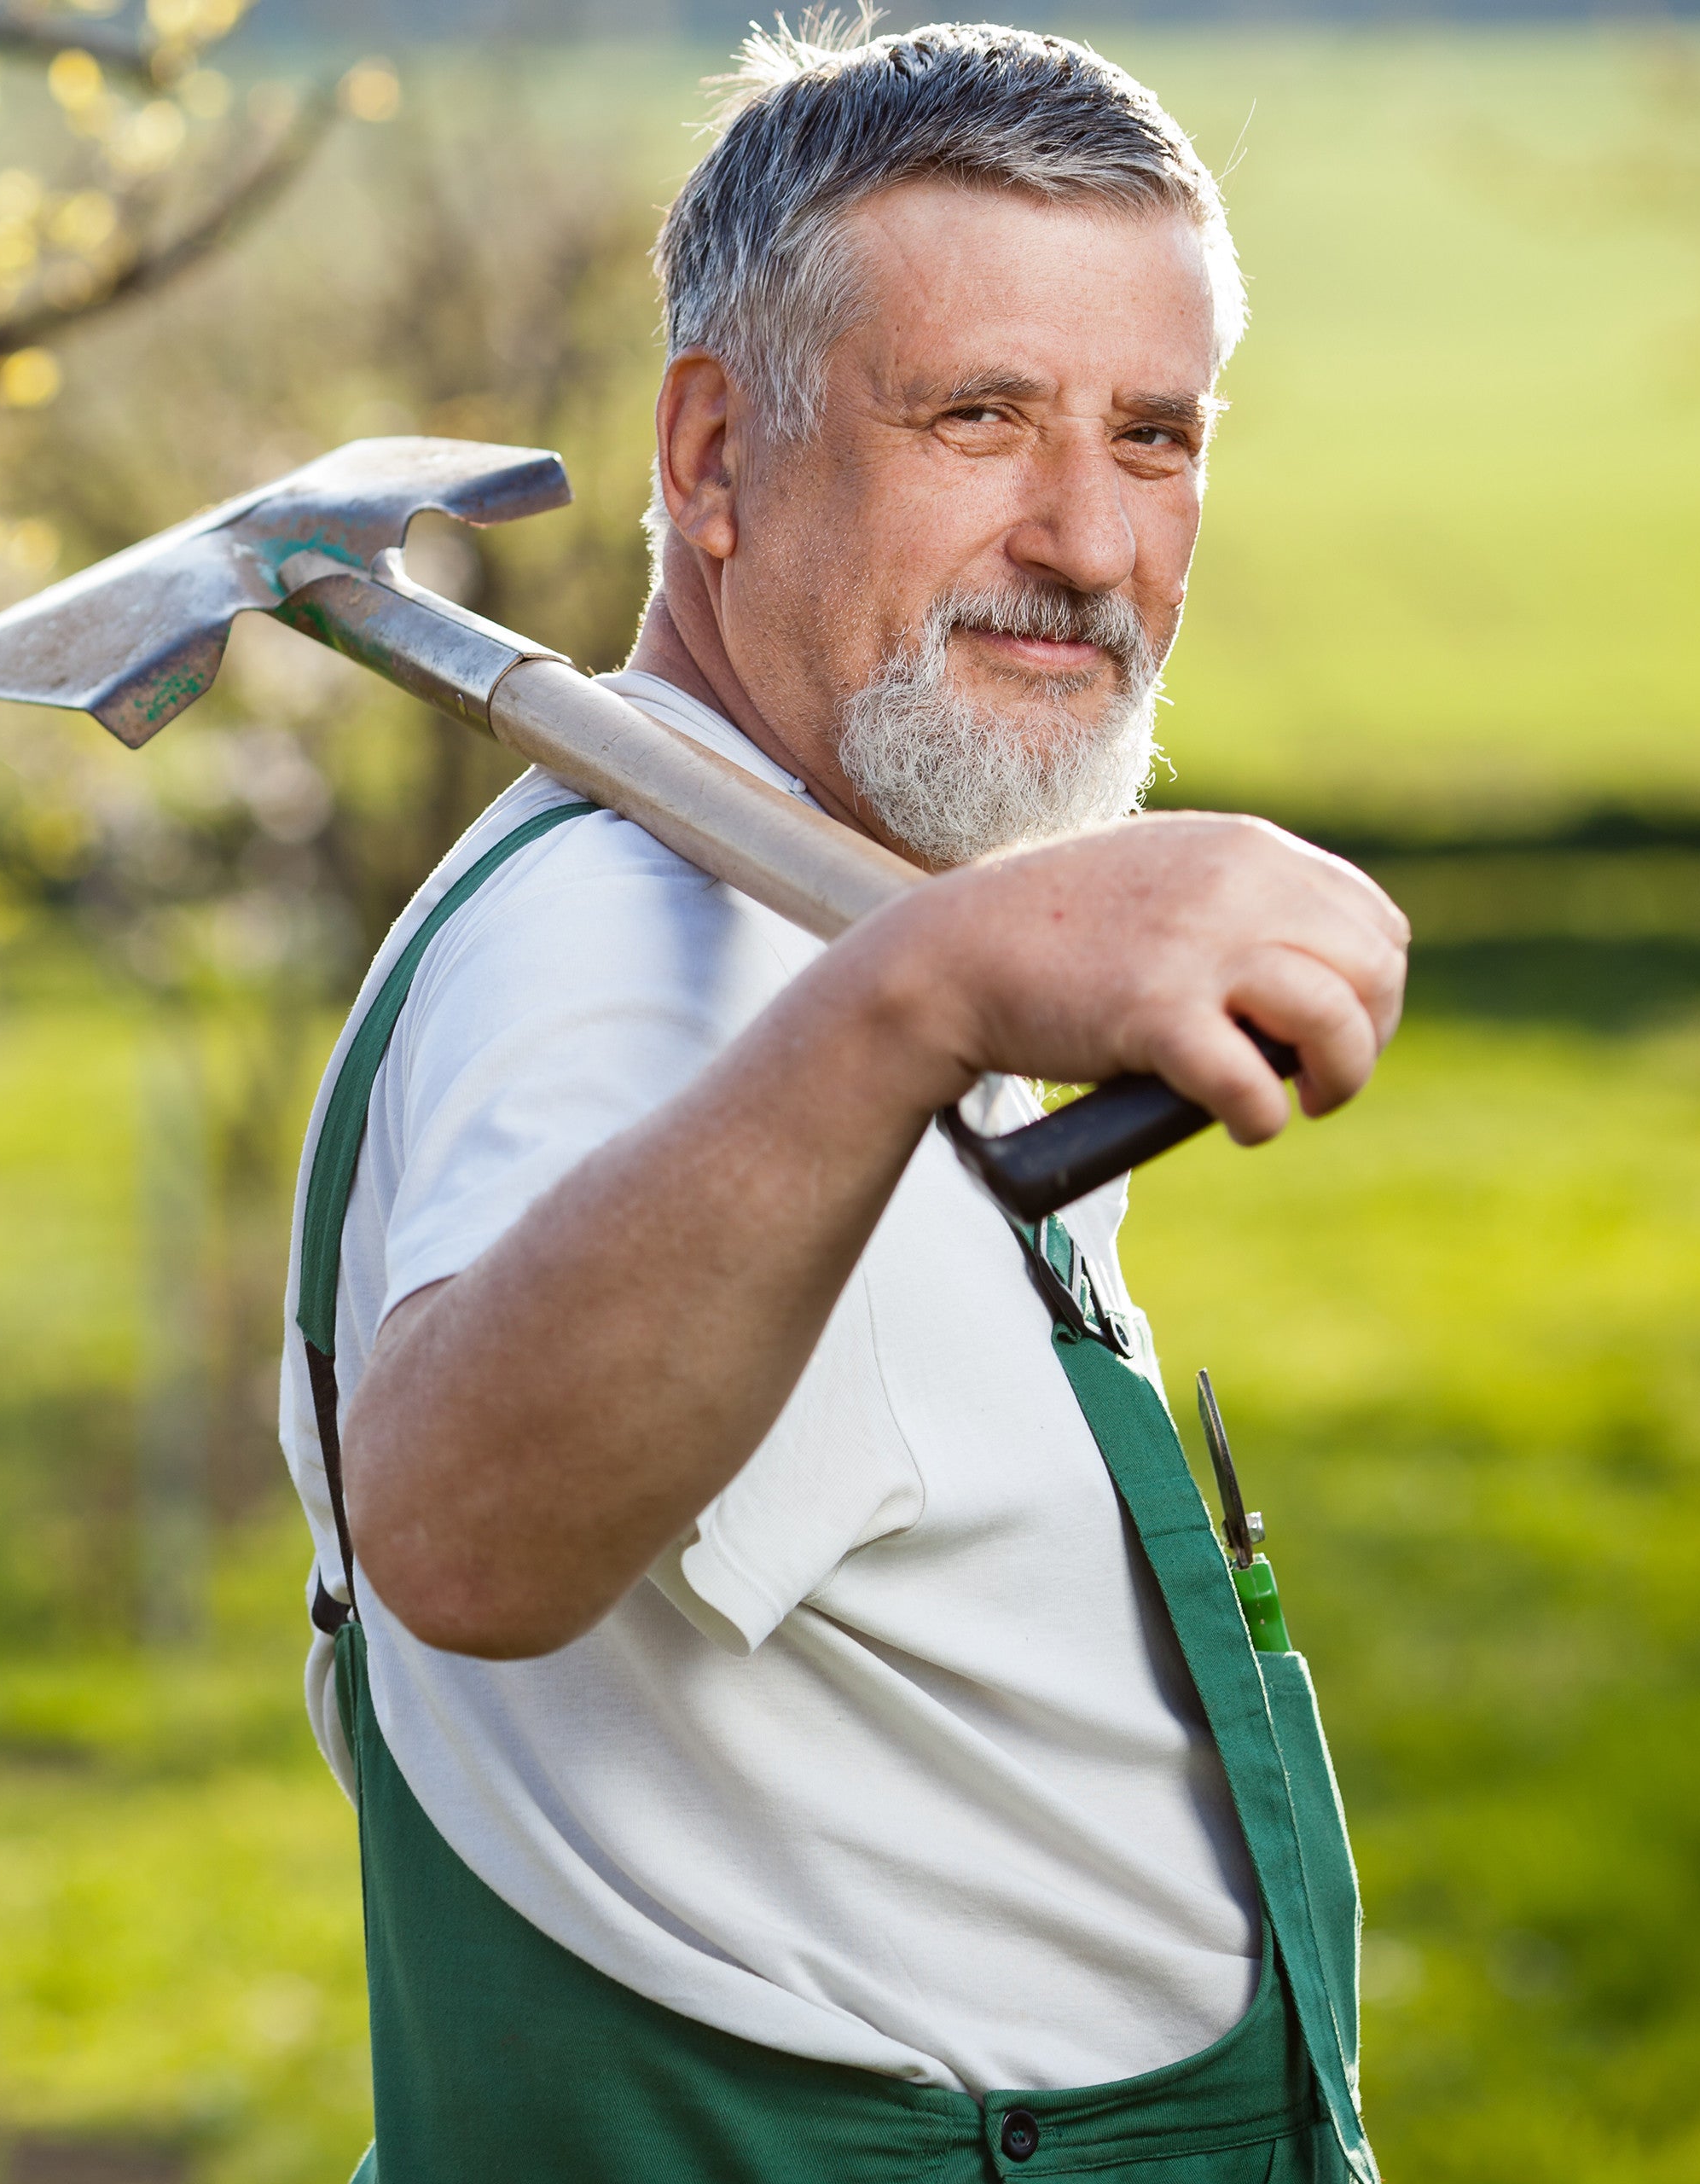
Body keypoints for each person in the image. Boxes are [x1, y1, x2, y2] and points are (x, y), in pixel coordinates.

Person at [280, 20, 1408, 2182]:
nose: (1085, 538)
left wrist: (916, 962)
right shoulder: (619, 958)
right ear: (711, 453)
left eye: (1154, 437)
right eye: (976, 416)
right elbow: (462, 1520)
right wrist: (926, 987)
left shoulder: (817, 899)